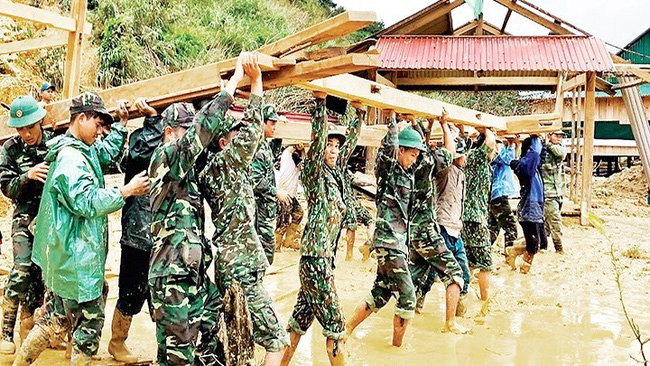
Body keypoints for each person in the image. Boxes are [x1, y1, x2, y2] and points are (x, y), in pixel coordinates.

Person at [13, 92, 150, 366]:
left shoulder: (79, 148)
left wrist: (121, 125)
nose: (100, 132)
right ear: (82, 118)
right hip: (76, 261)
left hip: (69, 258)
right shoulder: (71, 161)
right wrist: (125, 191)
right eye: (98, 125)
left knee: (56, 317)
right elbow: (86, 201)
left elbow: (106, 154)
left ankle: (21, 362)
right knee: (87, 329)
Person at [147, 52, 254, 366]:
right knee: (177, 354)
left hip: (189, 271)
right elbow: (200, 133)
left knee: (206, 322)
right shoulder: (166, 157)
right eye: (184, 129)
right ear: (170, 132)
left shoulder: (188, 169)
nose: (193, 140)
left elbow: (225, 144)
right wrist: (231, 86)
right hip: (171, 273)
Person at [198, 55, 290, 366]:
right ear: (223, 142)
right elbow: (252, 131)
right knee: (277, 339)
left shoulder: (220, 170)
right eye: (235, 136)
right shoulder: (225, 165)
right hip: (239, 268)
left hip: (235, 264)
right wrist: (256, 82)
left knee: (239, 344)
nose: (242, 141)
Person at [281, 93, 364, 365]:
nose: (333, 150)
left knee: (296, 326)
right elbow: (317, 143)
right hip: (315, 260)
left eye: (336, 147)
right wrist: (320, 106)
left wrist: (359, 113)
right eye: (329, 145)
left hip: (321, 262)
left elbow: (350, 142)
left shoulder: (336, 174)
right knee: (337, 330)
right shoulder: (314, 173)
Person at [346, 111, 425, 348]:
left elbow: (422, 152)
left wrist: (414, 123)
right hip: (388, 242)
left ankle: (346, 331)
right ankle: (395, 350)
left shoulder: (409, 173)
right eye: (411, 154)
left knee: (380, 294)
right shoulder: (388, 170)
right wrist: (391, 120)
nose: (414, 159)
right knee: (408, 297)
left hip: (396, 244)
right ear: (400, 151)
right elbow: (389, 148)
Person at [109, 97, 164, 363]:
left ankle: (166, 346)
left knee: (163, 296)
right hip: (138, 236)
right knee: (130, 292)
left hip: (159, 239)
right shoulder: (139, 154)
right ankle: (117, 343)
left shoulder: (167, 152)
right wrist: (152, 120)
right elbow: (143, 149)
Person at [405, 114, 468, 334]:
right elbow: (446, 151)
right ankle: (448, 323)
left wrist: (429, 126)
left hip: (424, 228)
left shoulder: (414, 166)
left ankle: (409, 307)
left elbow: (427, 147)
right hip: (433, 229)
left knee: (418, 273)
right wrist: (441, 124)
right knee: (453, 273)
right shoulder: (438, 169)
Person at [0, 96, 51, 354]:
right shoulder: (10, 149)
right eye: (20, 129)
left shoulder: (55, 143)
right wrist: (26, 177)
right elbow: (6, 187)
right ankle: (6, 333)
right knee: (21, 269)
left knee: (44, 274)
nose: (26, 133)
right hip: (24, 217)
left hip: (51, 219)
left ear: (40, 121)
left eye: (30, 127)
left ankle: (33, 325)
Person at [460, 127, 496, 316]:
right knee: (486, 262)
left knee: (470, 261)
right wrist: (487, 128)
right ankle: (484, 300)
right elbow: (490, 143)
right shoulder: (479, 157)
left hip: (466, 216)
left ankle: (462, 297)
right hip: (475, 217)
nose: (494, 152)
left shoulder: (472, 157)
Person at [436, 137, 472, 317]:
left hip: (455, 229)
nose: (465, 158)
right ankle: (416, 304)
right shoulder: (445, 172)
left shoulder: (461, 174)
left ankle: (458, 313)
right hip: (442, 227)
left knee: (463, 273)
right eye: (463, 155)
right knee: (428, 275)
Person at [251, 104, 289, 265]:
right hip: (259, 211)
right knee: (264, 252)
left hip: (265, 211)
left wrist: (279, 137)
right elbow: (257, 181)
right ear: (262, 123)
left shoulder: (264, 145)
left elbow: (271, 157)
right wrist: (276, 192)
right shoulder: (257, 148)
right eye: (272, 124)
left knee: (265, 252)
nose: (274, 127)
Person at [507, 136, 547, 274]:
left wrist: (543, 140)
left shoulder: (533, 167)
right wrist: (535, 138)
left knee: (539, 243)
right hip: (529, 210)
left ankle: (513, 252)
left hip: (536, 209)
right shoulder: (524, 167)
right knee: (533, 244)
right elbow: (535, 154)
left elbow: (540, 155)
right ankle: (523, 271)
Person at [488, 138, 519, 254]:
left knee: (493, 227)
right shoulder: (494, 155)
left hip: (496, 195)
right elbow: (508, 159)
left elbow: (511, 157)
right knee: (511, 227)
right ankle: (510, 254)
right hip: (498, 195)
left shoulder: (496, 156)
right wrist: (511, 144)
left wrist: (513, 144)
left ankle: (481, 251)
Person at [540, 130, 567, 253]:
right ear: (550, 136)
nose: (559, 138)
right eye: (557, 136)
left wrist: (548, 143)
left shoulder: (559, 148)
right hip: (548, 191)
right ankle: (558, 248)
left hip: (559, 191)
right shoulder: (542, 149)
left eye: (561, 136)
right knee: (554, 220)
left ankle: (541, 245)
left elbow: (560, 154)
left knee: (548, 221)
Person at [274, 145, 304, 250]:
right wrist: (300, 147)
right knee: (283, 223)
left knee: (298, 214)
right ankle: (276, 247)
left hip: (291, 195)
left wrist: (302, 150)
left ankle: (288, 241)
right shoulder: (289, 155)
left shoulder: (295, 162)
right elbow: (290, 149)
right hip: (285, 195)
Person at [340, 169, 374, 261]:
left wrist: (370, 183)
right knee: (351, 224)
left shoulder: (345, 170)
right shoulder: (334, 170)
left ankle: (369, 244)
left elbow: (356, 181)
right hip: (343, 203)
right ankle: (349, 255)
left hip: (352, 202)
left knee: (369, 219)